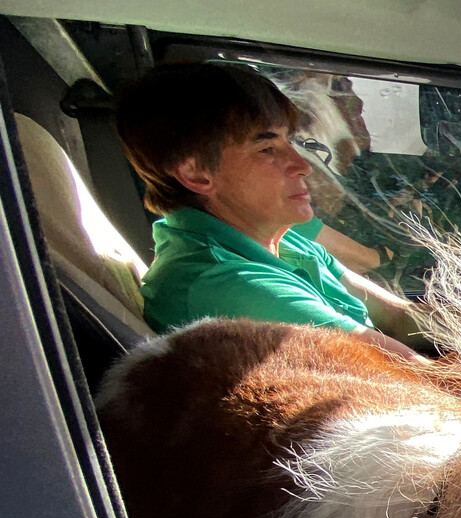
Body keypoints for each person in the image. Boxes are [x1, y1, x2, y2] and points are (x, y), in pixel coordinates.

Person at [114, 62, 423, 360]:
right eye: (266, 149)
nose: (302, 166)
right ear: (196, 175)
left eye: (289, 141)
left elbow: (399, 318)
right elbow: (409, 368)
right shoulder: (226, 282)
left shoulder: (280, 241)